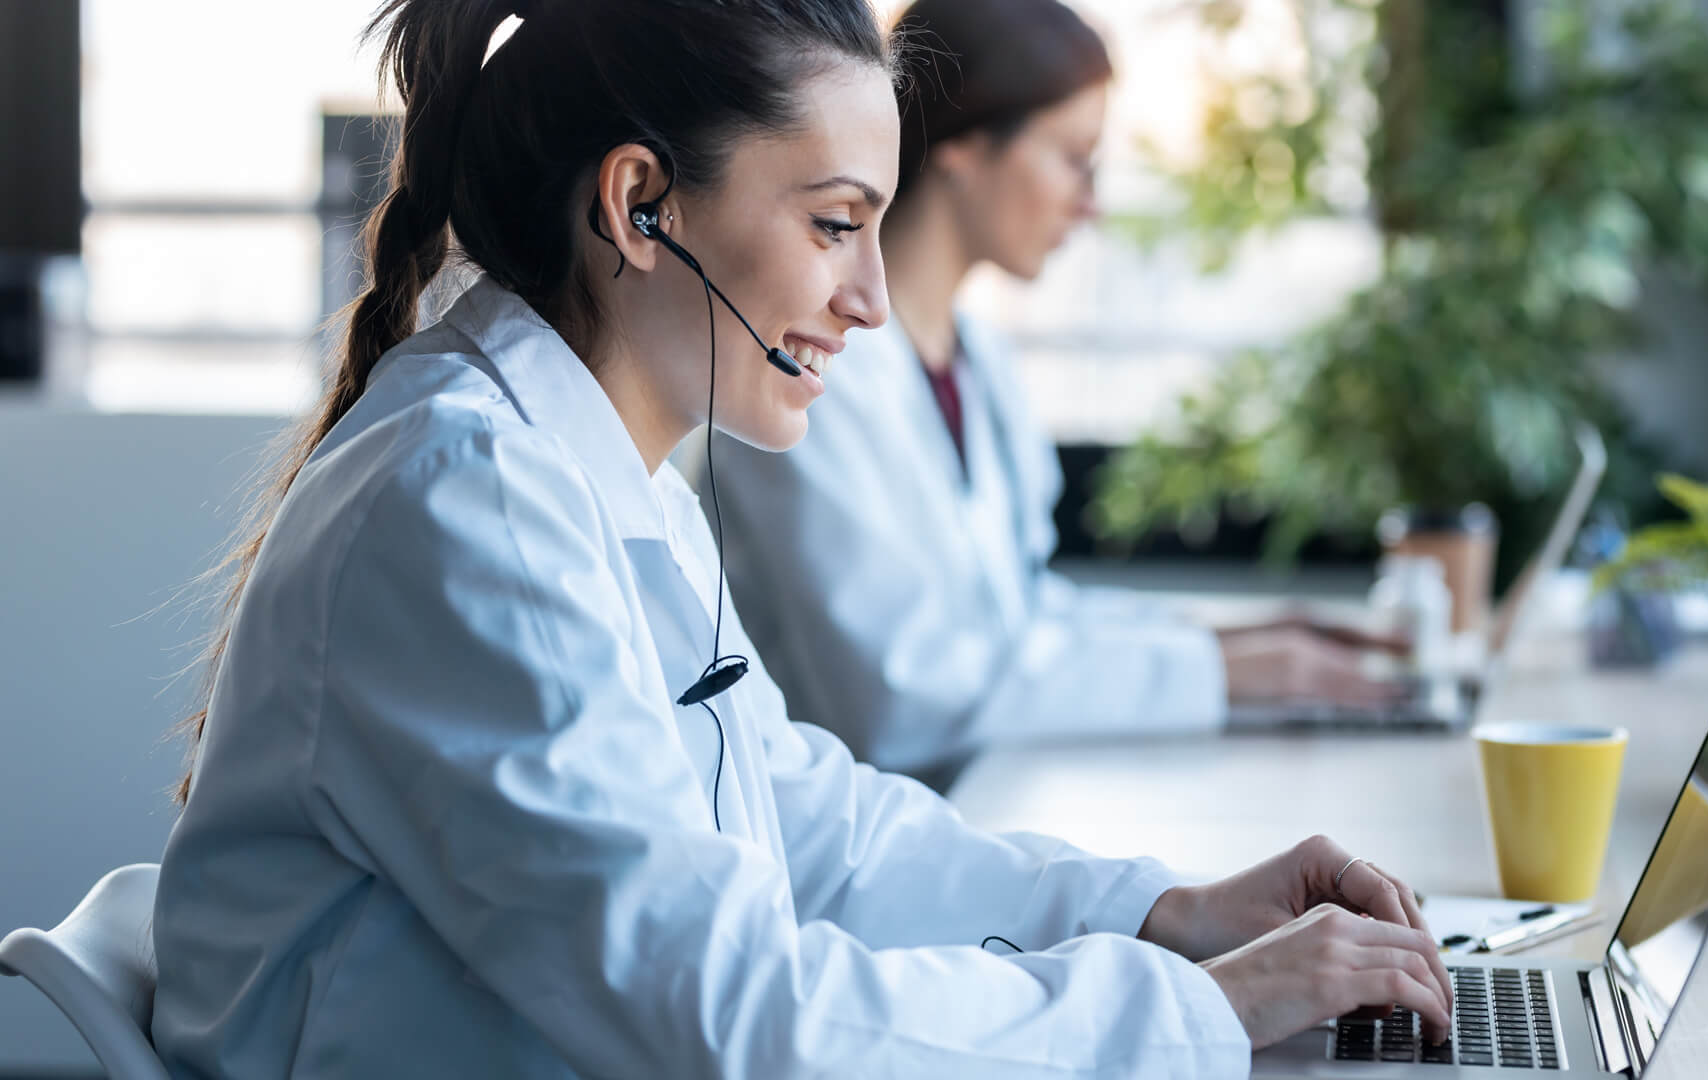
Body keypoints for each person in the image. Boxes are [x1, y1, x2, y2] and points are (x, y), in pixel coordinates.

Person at [150, 1, 1449, 1076]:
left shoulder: (611, 469)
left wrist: (1165, 912)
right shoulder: (462, 502)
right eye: (835, 224)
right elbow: (733, 1018)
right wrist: (1203, 1012)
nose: (874, 299)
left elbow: (805, 821)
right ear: (640, 205)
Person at [703, 0, 1402, 790]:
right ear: (966, 149)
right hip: (869, 841)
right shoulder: (807, 373)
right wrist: (1220, 670)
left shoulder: (980, 363)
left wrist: (1232, 642)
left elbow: (1022, 614)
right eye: (1074, 157)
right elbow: (906, 698)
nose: (1091, 202)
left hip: (991, 800)